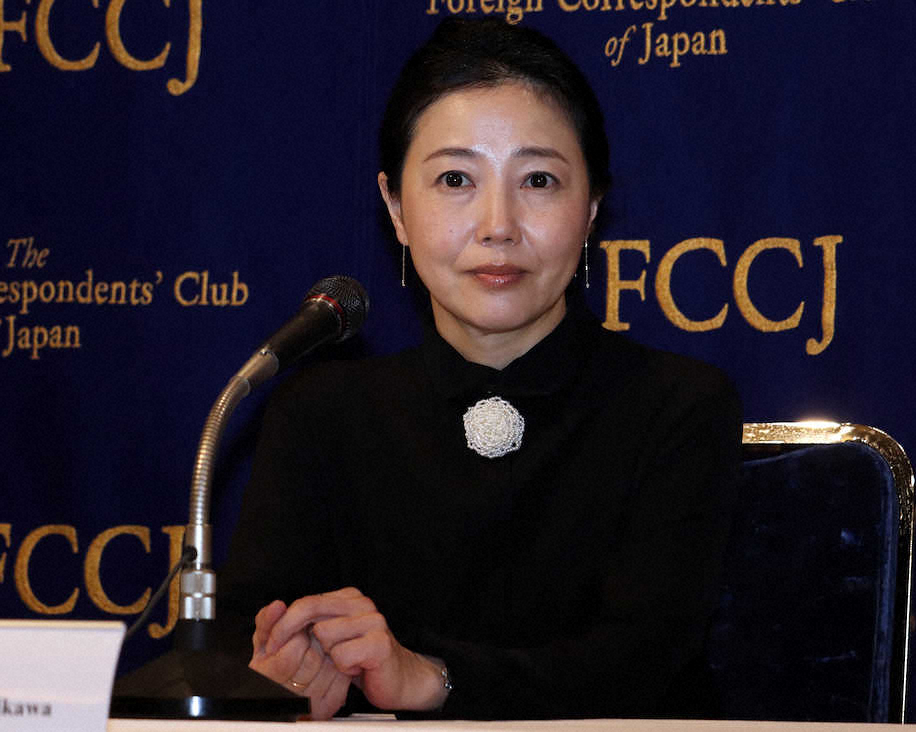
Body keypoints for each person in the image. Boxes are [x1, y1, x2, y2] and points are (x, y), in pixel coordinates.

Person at [218, 17, 742, 720]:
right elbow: (250, 640)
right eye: (456, 179)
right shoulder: (319, 414)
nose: (498, 225)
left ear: (592, 207)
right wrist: (283, 674)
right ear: (396, 208)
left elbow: (642, 661)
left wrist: (430, 677)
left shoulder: (677, 406)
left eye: (539, 180)